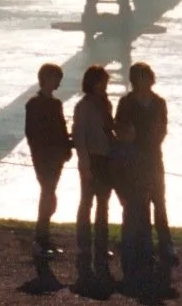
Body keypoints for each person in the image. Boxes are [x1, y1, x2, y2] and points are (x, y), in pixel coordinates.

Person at [115, 61, 173, 288]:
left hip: (153, 157)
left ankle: (165, 244)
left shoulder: (159, 102)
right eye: (143, 77)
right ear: (136, 79)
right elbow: (120, 127)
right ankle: (141, 247)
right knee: (137, 203)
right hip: (134, 159)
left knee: (159, 200)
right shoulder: (126, 102)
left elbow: (162, 128)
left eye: (148, 76)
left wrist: (151, 140)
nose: (147, 80)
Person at [72, 64, 115, 286]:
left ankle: (100, 247)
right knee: (87, 203)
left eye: (106, 82)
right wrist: (85, 164)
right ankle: (83, 247)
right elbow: (79, 136)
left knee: (103, 205)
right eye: (101, 81)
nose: (104, 85)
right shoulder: (84, 106)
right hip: (91, 159)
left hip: (106, 159)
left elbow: (110, 131)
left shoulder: (106, 104)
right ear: (92, 82)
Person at [24, 62, 72, 256]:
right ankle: (40, 239)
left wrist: (67, 147)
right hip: (45, 158)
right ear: (47, 79)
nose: (59, 84)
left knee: (49, 195)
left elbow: (61, 130)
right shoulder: (34, 104)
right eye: (57, 79)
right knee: (48, 195)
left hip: (55, 157)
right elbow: (32, 134)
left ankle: (44, 237)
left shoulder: (55, 104)